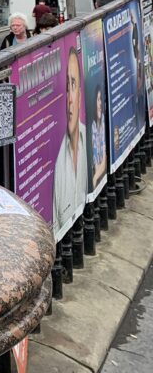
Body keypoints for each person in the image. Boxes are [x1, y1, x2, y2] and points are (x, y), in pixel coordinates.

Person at [52, 45, 88, 235]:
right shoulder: (58, 162)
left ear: (80, 94)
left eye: (74, 84)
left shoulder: (89, 140)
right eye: (66, 86)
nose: (70, 99)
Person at [90, 84, 107, 190]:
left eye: (101, 99)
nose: (100, 103)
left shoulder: (103, 122)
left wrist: (95, 178)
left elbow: (103, 161)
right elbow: (96, 162)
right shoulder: (93, 126)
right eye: (98, 99)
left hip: (98, 178)